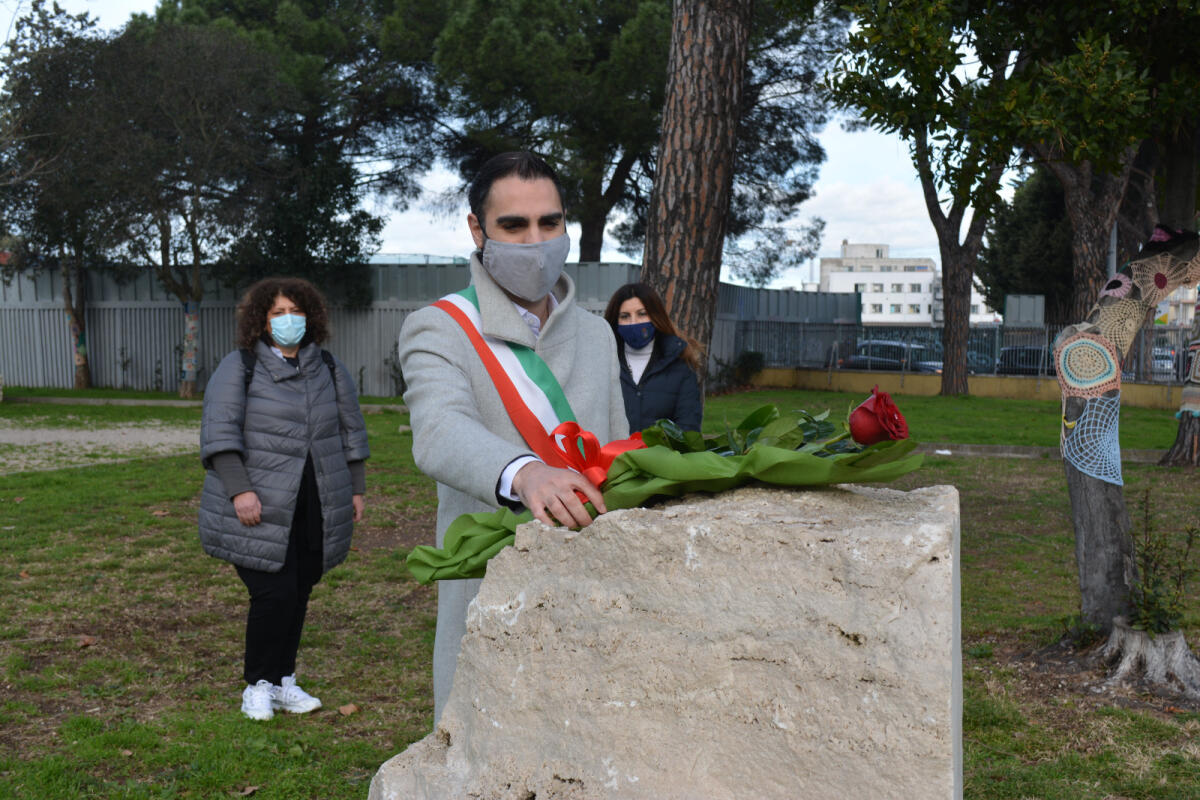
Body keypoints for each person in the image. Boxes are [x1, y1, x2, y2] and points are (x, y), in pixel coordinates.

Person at [398, 151, 628, 724]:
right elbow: (438, 430)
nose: (535, 241)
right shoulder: (440, 328)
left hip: (594, 585)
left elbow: (620, 447)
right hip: (494, 589)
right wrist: (525, 472)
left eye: (549, 223)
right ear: (478, 231)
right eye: (514, 226)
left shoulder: (599, 335)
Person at [199, 277, 369, 721]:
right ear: (261, 320)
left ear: (310, 317)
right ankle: (256, 684)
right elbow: (220, 434)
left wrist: (355, 487)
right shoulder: (240, 367)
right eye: (277, 313)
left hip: (316, 500)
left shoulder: (328, 367)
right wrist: (240, 490)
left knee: (298, 591)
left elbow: (351, 433)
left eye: (295, 311)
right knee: (272, 594)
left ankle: (282, 681)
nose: (288, 320)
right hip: (259, 502)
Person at [604, 282, 703, 432]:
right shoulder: (602, 362)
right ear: (615, 321)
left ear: (655, 316)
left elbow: (688, 428)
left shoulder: (680, 365)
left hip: (662, 455)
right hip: (613, 455)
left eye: (641, 314)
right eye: (625, 316)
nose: (633, 322)